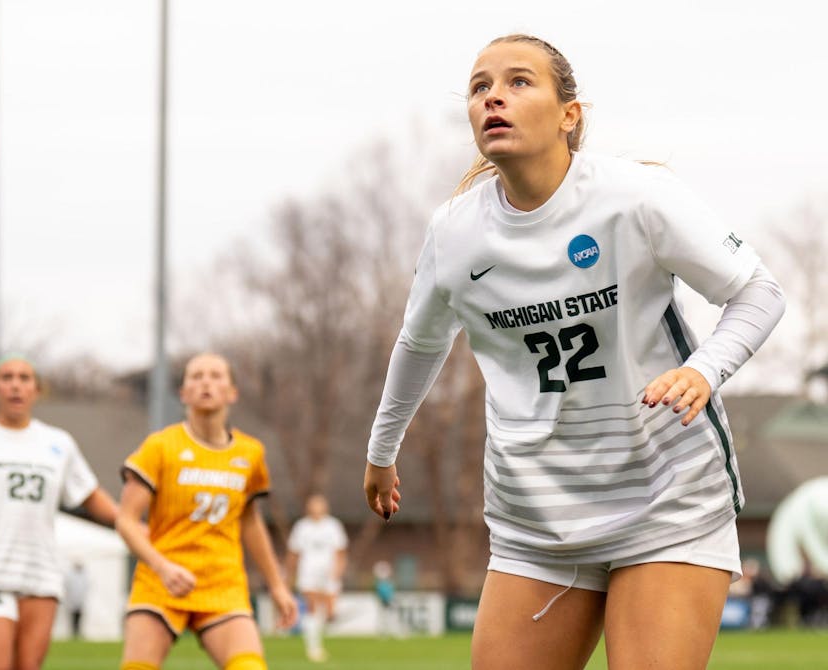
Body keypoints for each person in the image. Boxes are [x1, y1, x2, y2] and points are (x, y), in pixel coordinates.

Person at [362, 34, 786, 670]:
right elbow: (420, 343)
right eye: (480, 87)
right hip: (536, 516)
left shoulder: (634, 197)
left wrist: (702, 370)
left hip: (664, 496)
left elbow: (758, 291)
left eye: (518, 81)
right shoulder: (454, 232)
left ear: (570, 115)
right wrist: (381, 451)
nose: (494, 97)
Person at [0, 355, 118, 670]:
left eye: (24, 378)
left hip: (40, 570)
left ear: (36, 389)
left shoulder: (58, 442)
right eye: (7, 378)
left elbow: (90, 494)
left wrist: (129, 523)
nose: (15, 385)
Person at [116, 352, 297, 670]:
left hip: (222, 583)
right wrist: (162, 568)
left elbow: (251, 521)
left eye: (215, 376)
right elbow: (126, 520)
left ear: (232, 392)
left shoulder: (250, 452)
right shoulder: (159, 447)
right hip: (161, 581)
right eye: (196, 376)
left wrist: (278, 585)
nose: (206, 383)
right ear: (183, 393)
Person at [285, 493, 348, 662]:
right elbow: (293, 553)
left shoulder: (333, 526)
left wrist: (337, 573)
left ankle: (319, 637)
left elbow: (341, 553)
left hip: (328, 573)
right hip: (308, 573)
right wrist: (288, 576)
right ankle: (314, 648)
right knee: (312, 608)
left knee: (329, 612)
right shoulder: (301, 527)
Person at [62, 563, 88, 639]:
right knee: (73, 617)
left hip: (80, 600)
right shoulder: (71, 576)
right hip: (72, 600)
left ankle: (78, 632)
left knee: (79, 617)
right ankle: (73, 632)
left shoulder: (84, 576)